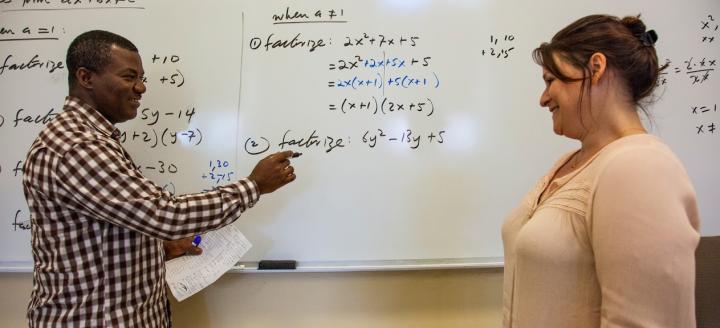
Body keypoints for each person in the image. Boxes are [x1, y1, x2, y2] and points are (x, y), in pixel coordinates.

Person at [22, 30, 297, 327]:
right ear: (86, 78)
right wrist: (254, 186)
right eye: (129, 77)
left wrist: (158, 248)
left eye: (141, 78)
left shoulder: (92, 139)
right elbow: (163, 214)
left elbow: (109, 226)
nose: (140, 88)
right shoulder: (77, 147)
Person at [501, 15, 700, 327]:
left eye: (550, 80)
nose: (543, 99)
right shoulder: (570, 163)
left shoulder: (639, 168)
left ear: (596, 69)